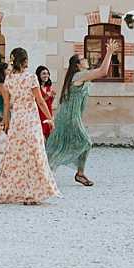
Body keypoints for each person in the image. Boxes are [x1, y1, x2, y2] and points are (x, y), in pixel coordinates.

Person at [45, 39, 120, 187]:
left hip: (71, 116)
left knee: (60, 144)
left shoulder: (82, 76)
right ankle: (74, 172)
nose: (86, 60)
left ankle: (50, 169)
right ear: (78, 65)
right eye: (82, 59)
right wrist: (110, 52)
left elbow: (99, 71)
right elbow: (103, 71)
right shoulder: (79, 76)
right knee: (85, 142)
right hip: (69, 117)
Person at [0, 48, 59, 205]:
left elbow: (7, 104)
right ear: (25, 61)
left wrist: (7, 122)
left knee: (15, 155)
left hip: (17, 120)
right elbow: (40, 101)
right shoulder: (31, 78)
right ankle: (33, 194)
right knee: (34, 154)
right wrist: (51, 118)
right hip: (30, 120)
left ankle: (8, 190)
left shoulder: (9, 79)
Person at [35, 65, 56, 140]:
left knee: (48, 136)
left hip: (48, 113)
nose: (46, 75)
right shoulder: (36, 88)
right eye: (43, 73)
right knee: (41, 137)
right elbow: (37, 102)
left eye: (47, 73)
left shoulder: (48, 87)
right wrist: (46, 97)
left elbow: (49, 103)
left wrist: (52, 97)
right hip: (39, 115)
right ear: (39, 75)